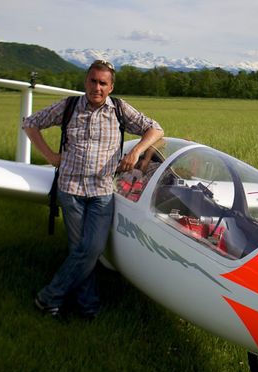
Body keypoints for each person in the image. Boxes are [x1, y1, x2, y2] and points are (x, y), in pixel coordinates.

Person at [22, 59, 164, 320]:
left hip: (101, 192)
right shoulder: (69, 106)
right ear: (85, 81)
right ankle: (88, 308)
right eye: (92, 81)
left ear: (110, 87)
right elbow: (30, 123)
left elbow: (155, 129)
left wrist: (136, 151)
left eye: (102, 83)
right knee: (82, 252)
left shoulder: (119, 110)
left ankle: (49, 298)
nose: (96, 87)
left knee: (92, 249)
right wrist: (51, 156)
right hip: (71, 190)